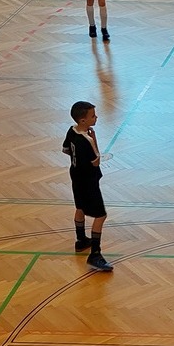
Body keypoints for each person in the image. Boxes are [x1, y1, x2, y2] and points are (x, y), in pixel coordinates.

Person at [62, 100, 113, 272]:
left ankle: (81, 240)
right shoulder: (87, 140)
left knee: (80, 207)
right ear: (83, 120)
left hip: (76, 176)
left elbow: (66, 150)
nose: (96, 117)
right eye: (93, 116)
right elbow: (96, 161)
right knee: (101, 216)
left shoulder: (72, 130)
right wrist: (94, 140)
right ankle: (95, 255)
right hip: (89, 181)